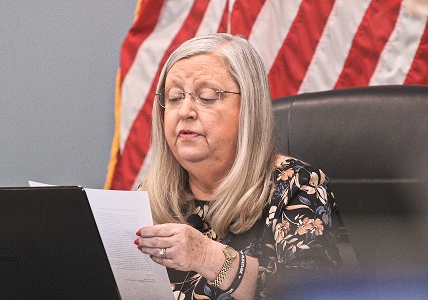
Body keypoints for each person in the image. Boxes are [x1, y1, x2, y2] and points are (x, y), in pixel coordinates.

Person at [134, 33, 342, 300]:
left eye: (206, 97)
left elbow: (309, 293)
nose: (185, 110)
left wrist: (208, 256)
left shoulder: (298, 187)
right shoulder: (153, 194)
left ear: (248, 108)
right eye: (174, 98)